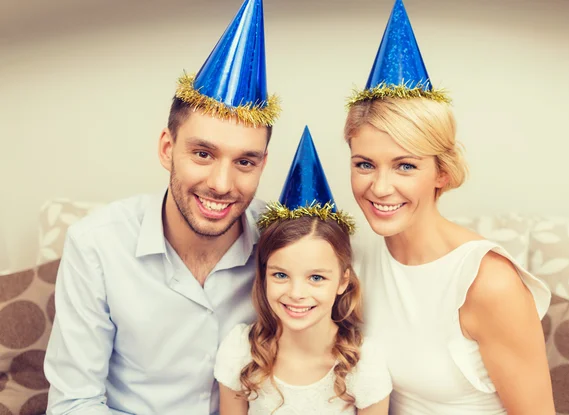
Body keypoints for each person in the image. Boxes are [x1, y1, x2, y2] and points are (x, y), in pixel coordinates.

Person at [44, 1, 280, 414]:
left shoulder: (284, 244)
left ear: (262, 164)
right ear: (167, 149)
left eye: (245, 161)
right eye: (203, 154)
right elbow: (73, 404)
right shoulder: (97, 245)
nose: (222, 184)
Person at [344, 1, 554, 414]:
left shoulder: (487, 283)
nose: (380, 187)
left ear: (441, 172)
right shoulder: (357, 258)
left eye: (405, 165)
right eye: (364, 164)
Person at [214, 127, 392, 414]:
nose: (296, 293)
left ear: (343, 280)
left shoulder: (361, 363)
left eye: (317, 277)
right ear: (263, 275)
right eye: (281, 275)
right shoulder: (241, 351)